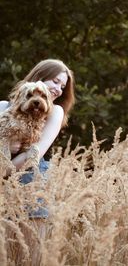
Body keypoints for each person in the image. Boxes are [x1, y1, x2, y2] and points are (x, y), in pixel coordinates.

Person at [0, 59, 75, 216]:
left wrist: (2, 173)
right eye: (55, 82)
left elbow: (33, 155)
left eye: (62, 87)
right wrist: (7, 144)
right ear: (39, 76)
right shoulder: (2, 106)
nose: (59, 90)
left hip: (31, 183)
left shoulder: (55, 112)